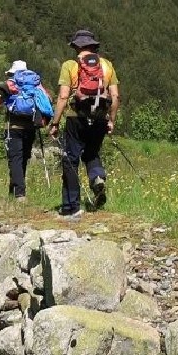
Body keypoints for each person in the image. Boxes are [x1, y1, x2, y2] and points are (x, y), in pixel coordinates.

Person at [48, 29, 120, 218]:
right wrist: (111, 120)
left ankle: (71, 206)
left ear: (76, 47)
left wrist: (55, 123)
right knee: (91, 153)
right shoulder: (106, 65)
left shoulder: (70, 65)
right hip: (100, 118)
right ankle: (97, 177)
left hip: (76, 117)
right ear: (93, 46)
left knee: (70, 159)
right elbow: (115, 97)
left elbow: (63, 96)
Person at [0, 60, 48, 200]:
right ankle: (14, 191)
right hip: (30, 127)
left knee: (15, 159)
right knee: (23, 159)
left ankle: (19, 193)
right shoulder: (35, 84)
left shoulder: (9, 85)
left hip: (13, 128)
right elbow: (46, 100)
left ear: (12, 73)